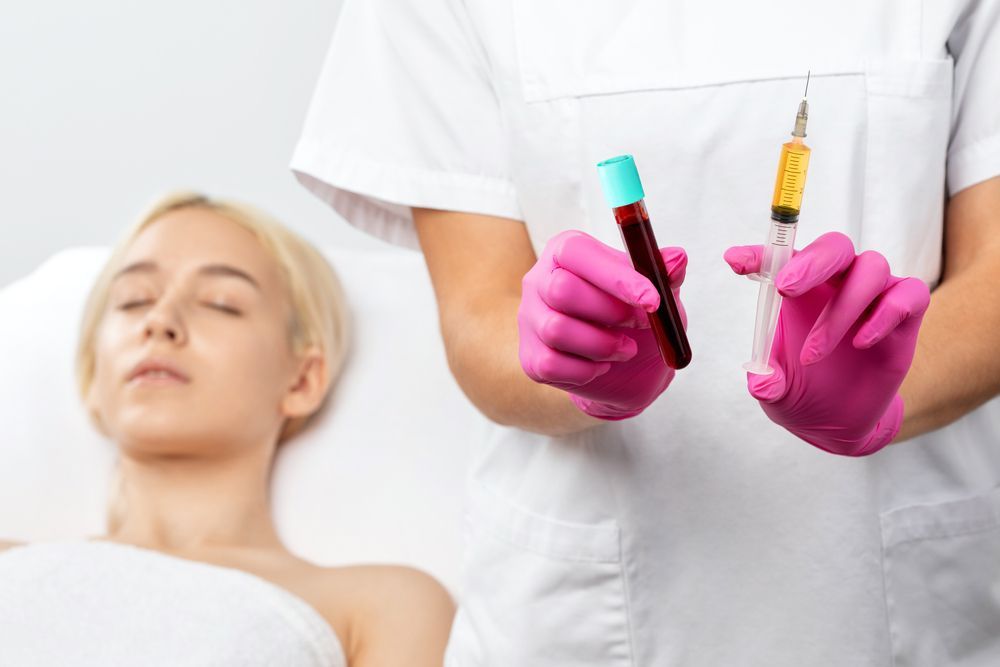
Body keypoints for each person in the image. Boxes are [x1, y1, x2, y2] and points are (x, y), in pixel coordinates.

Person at [291, 2, 1000, 664]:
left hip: (901, 602)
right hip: (577, 614)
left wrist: (891, 382)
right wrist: (582, 365)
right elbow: (479, 314)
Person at [0, 193, 455, 666]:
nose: (159, 322)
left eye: (221, 304)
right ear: (94, 375)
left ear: (302, 379)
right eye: (133, 300)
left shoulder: (377, 607)